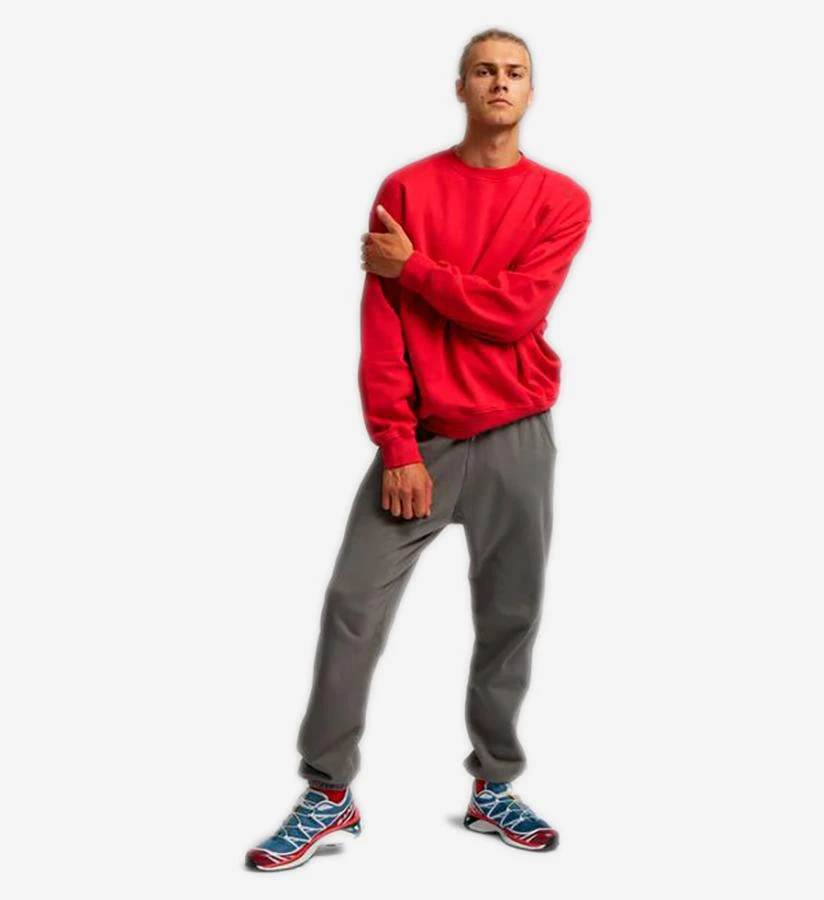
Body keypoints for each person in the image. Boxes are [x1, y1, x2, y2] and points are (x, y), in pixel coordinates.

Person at [246, 28, 591, 871]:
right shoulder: (406, 188)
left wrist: (419, 270)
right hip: (423, 443)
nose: (500, 83)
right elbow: (383, 327)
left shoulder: (561, 199)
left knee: (510, 615)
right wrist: (397, 444)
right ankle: (328, 792)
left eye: (515, 73)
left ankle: (494, 786)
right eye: (485, 71)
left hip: (518, 435)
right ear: (460, 86)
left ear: (532, 91)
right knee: (352, 605)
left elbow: (514, 313)